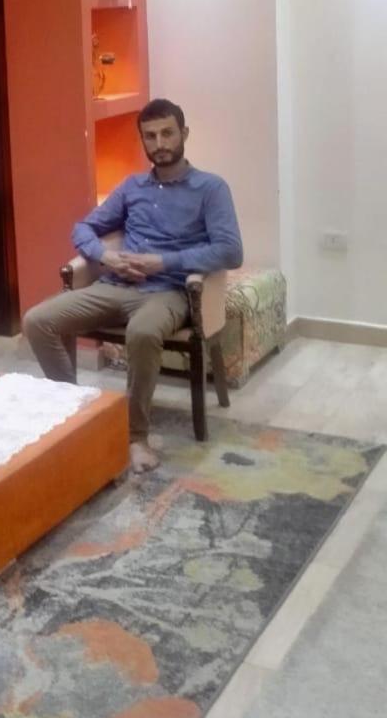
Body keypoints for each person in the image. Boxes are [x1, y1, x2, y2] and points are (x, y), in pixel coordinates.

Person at [23, 98, 243, 474]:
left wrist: (164, 261)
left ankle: (134, 436)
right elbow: (83, 227)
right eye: (150, 136)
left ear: (184, 134)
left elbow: (230, 251)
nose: (160, 143)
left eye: (167, 133)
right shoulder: (132, 186)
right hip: (114, 285)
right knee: (37, 320)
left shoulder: (210, 188)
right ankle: (77, 416)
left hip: (168, 292)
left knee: (142, 332)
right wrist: (105, 257)